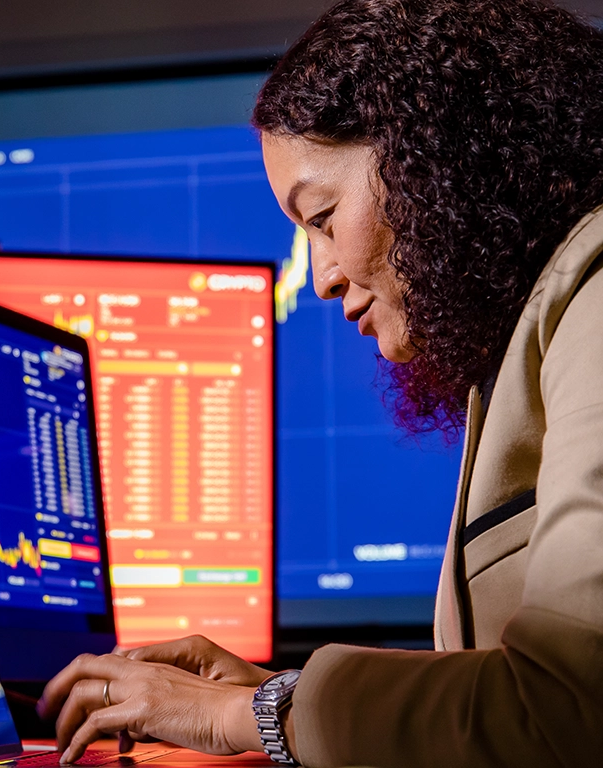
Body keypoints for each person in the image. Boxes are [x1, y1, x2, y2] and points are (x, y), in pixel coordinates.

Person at [37, 1, 603, 765]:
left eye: (325, 216)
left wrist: (252, 716)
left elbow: (568, 712)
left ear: (437, 157)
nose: (324, 278)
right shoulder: (539, 324)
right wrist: (280, 694)